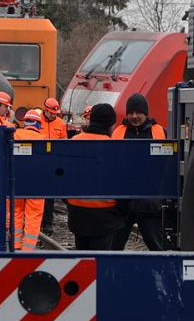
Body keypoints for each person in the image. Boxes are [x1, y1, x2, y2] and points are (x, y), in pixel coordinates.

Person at [111, 93, 167, 251]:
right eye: (131, 113)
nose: (134, 116)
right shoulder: (118, 132)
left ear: (145, 113)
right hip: (123, 203)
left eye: (138, 112)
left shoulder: (160, 132)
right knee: (113, 249)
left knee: (157, 248)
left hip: (149, 203)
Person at [66, 103, 127, 250]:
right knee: (101, 263)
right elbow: (123, 184)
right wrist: (122, 212)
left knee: (82, 259)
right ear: (111, 125)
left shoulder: (74, 142)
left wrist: (70, 202)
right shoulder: (115, 148)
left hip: (77, 214)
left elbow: (64, 177)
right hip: (105, 217)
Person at [12, 110, 48, 250]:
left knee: (15, 213)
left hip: (16, 181)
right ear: (38, 124)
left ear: (25, 122)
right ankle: (28, 249)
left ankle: (15, 245)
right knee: (33, 216)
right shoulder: (44, 138)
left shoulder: (15, 134)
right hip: (37, 183)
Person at [39, 98, 67, 236]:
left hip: (53, 163)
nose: (53, 115)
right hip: (38, 162)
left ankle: (47, 224)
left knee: (49, 197)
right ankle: (38, 223)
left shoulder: (60, 124)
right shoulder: (37, 120)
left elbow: (64, 143)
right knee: (37, 196)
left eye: (55, 113)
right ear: (45, 110)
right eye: (51, 113)